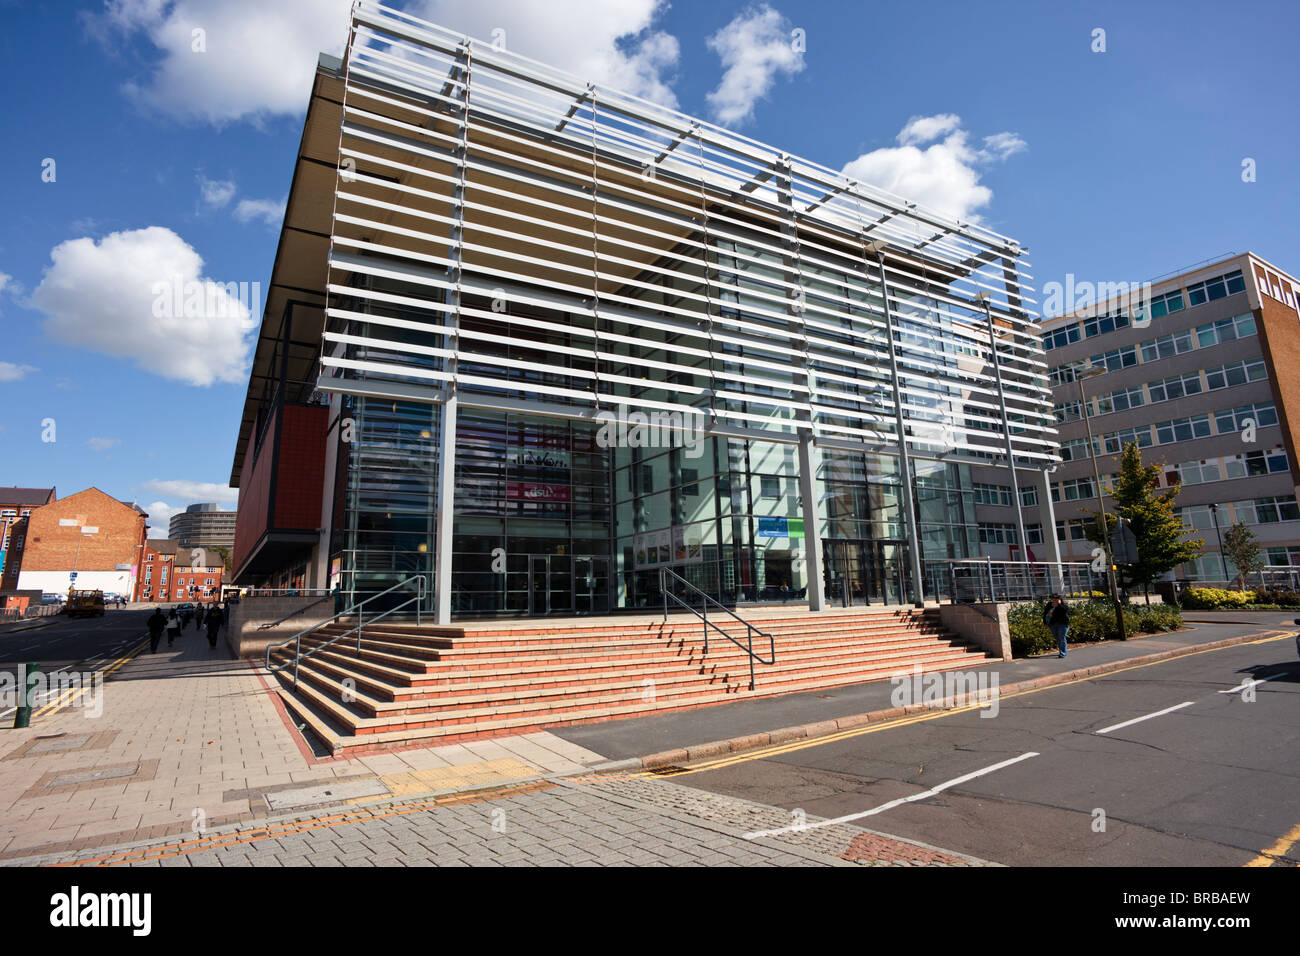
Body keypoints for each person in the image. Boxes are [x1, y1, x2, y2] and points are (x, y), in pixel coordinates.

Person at [1043, 594, 1070, 658]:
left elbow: (1065, 610)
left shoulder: (1062, 605)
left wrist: (1059, 605)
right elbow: (1045, 614)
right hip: (1052, 624)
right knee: (1058, 639)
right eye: (1054, 598)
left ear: (1060, 599)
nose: (1055, 599)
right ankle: (1062, 650)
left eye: (1057, 598)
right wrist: (1045, 623)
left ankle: (1063, 653)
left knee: (1062, 638)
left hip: (1063, 624)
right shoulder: (1049, 605)